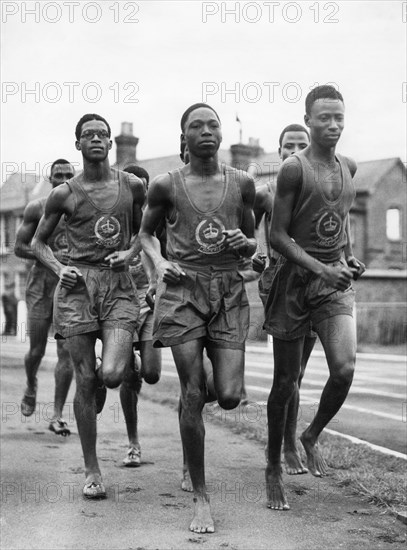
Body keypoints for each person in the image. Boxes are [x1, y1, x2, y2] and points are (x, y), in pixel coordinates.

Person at [140, 103, 257, 533]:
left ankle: (192, 412)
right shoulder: (165, 186)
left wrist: (243, 242)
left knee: (227, 395)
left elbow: (250, 242)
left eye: (213, 124)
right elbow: (146, 235)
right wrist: (158, 262)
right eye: (196, 126)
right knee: (192, 391)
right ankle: (201, 498)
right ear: (184, 137)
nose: (206, 131)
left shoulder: (242, 183)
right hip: (182, 292)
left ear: (221, 134)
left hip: (227, 291)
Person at [31, 114, 145, 499]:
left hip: (118, 287)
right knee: (84, 379)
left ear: (111, 144)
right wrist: (59, 268)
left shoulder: (132, 186)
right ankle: (92, 470)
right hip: (78, 288)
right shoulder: (64, 193)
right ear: (78, 144)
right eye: (88, 135)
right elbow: (37, 244)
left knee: (112, 375)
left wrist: (128, 254)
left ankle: (106, 370)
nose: (96, 139)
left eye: (102, 134)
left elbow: (146, 234)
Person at [264, 85, 365, 511]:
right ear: (308, 121)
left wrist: (347, 258)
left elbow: (341, 224)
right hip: (293, 283)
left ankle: (310, 435)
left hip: (332, 284)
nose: (333, 125)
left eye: (339, 117)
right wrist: (319, 266)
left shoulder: (350, 167)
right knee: (286, 382)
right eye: (324, 117)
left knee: (343, 369)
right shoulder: (293, 169)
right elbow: (277, 234)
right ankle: (272, 464)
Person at [253, 125, 316, 474]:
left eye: (302, 145)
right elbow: (250, 231)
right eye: (288, 146)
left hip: (313, 283)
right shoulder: (266, 192)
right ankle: (283, 448)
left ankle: (287, 439)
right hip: (278, 281)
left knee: (300, 371)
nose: (294, 150)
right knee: (287, 373)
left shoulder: (321, 189)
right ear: (278, 153)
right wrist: (257, 254)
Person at [15, 159, 75, 435]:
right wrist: (49, 257)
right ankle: (31, 384)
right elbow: (19, 247)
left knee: (66, 351)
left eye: (68, 175)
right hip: (41, 284)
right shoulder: (36, 208)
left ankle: (58, 414)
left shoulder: (81, 207)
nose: (63, 179)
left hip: (71, 285)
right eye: (58, 175)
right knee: (37, 350)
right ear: (50, 179)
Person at [119, 163, 162, 467]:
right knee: (127, 377)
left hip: (149, 305)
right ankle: (133, 442)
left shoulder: (155, 223)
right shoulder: (114, 221)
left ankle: (131, 362)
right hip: (121, 305)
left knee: (151, 373)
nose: (141, 192)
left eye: (145, 187)